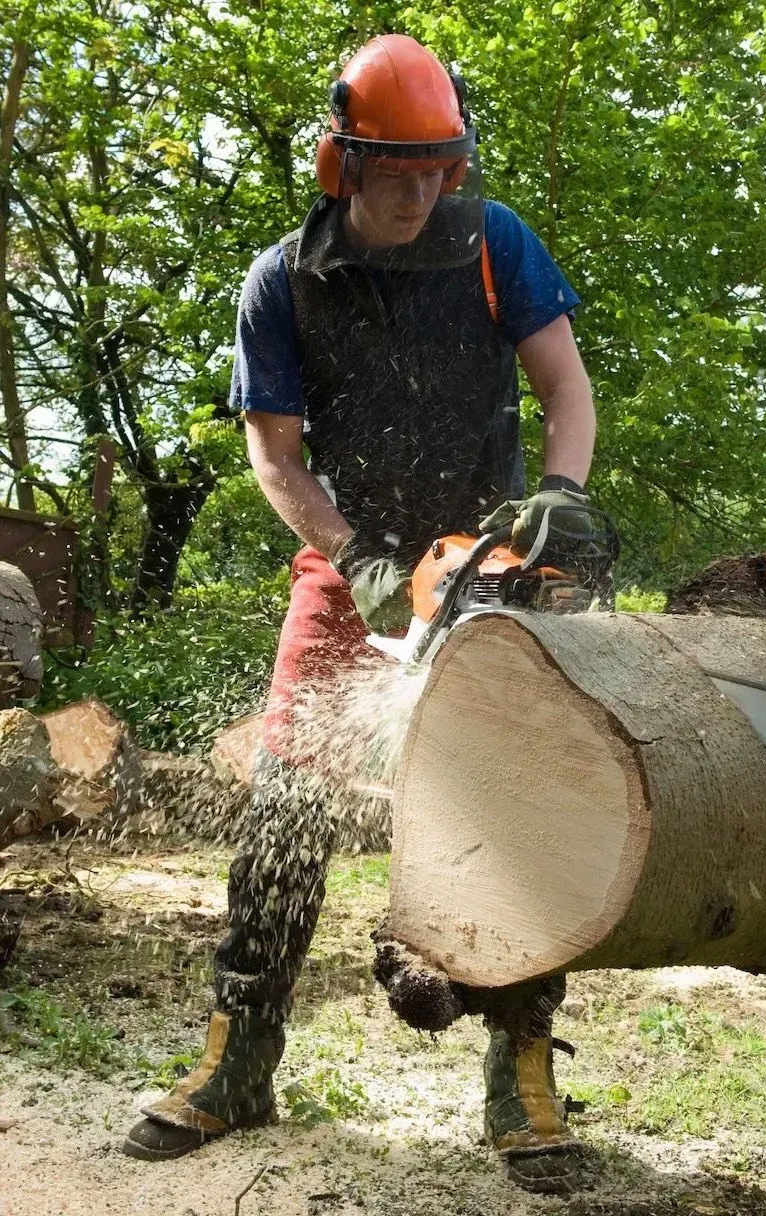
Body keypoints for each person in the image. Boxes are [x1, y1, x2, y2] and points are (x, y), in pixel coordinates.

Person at [122, 33, 604, 1194]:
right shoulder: (283, 279)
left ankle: (521, 1067)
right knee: (287, 805)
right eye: (395, 169)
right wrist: (356, 557)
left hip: (490, 560)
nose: (418, 190)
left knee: (526, 804)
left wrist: (560, 495)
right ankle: (239, 1059)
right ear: (342, 161)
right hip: (351, 563)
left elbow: (566, 388)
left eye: (437, 167)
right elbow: (276, 461)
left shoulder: (494, 245)